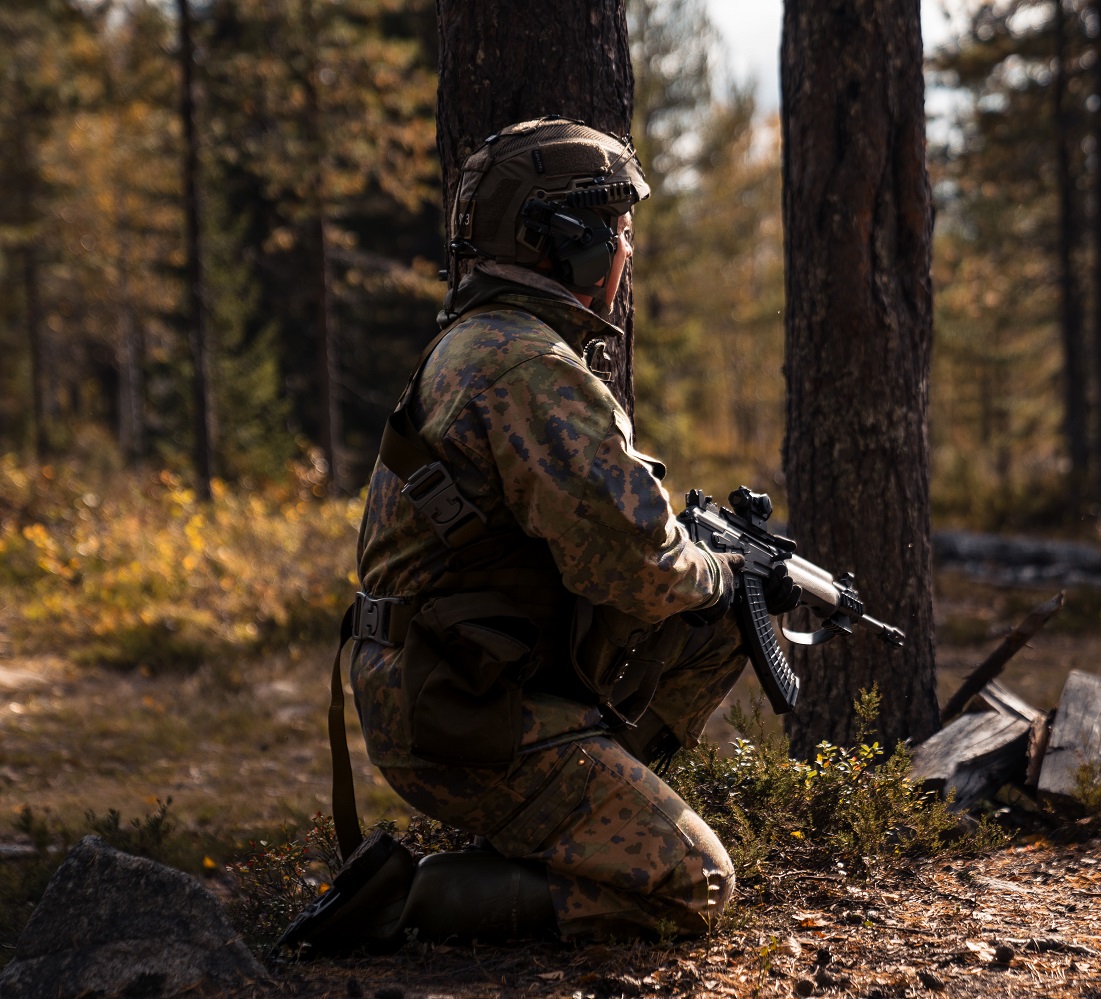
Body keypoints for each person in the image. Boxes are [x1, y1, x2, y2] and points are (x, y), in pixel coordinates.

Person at [282, 116, 798, 954]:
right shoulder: (533, 370)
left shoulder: (482, 344)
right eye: (618, 233)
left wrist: (719, 578)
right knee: (694, 885)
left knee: (718, 618)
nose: (626, 253)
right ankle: (409, 899)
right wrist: (726, 566)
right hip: (456, 706)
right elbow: (648, 576)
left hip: (459, 677)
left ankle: (572, 815)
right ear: (572, 244)